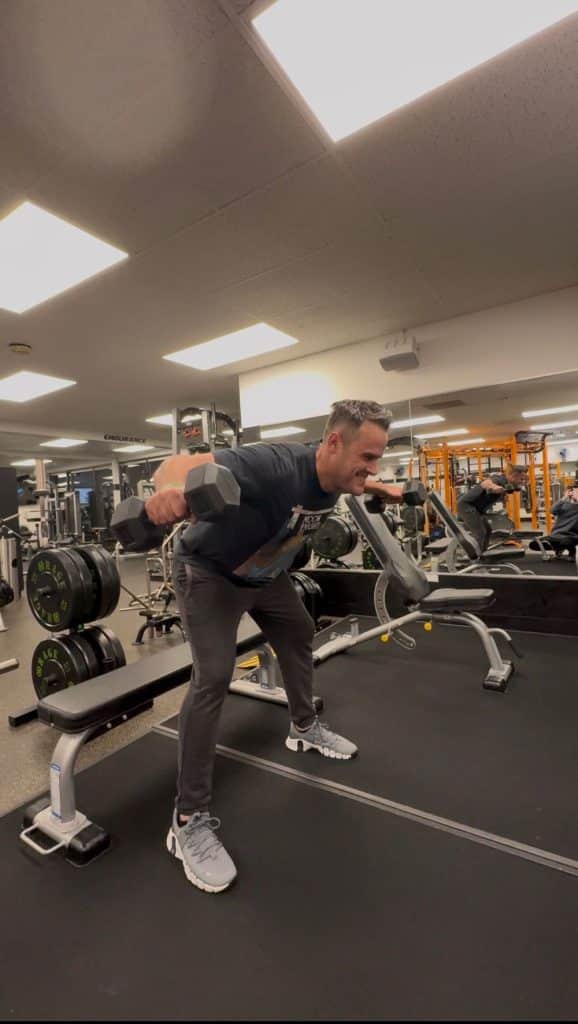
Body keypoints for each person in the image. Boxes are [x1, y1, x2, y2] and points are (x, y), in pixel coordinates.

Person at [146, 399, 403, 893]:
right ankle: (187, 819)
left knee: (299, 631)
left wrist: (380, 487)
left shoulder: (336, 476)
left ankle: (304, 727)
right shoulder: (273, 464)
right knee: (213, 676)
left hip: (265, 573)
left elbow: (358, 479)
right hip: (210, 574)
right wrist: (170, 490)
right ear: (333, 442)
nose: (372, 467)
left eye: (377, 458)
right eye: (367, 458)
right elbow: (178, 465)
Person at [456, 464, 527, 553]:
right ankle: (474, 557)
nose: (521, 482)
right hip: (467, 506)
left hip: (477, 509)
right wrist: (495, 487)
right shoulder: (500, 479)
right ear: (513, 476)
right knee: (480, 532)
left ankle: (483, 552)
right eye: (521, 479)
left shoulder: (506, 483)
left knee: (488, 530)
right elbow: (485, 483)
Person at [535, 486, 578, 559]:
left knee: (566, 541)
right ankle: (558, 549)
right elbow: (552, 510)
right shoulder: (563, 504)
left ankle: (571, 552)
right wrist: (564, 498)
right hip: (557, 534)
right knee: (537, 542)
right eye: (574, 491)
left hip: (572, 535)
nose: (575, 493)